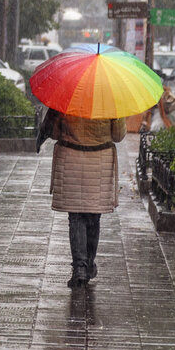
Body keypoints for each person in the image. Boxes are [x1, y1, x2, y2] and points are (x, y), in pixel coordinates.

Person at [51, 112, 126, 287]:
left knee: (76, 217)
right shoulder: (111, 102)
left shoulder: (67, 100)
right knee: (93, 216)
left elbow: (54, 133)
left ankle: (80, 268)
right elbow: (118, 136)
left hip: (71, 160)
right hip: (99, 162)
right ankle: (88, 263)